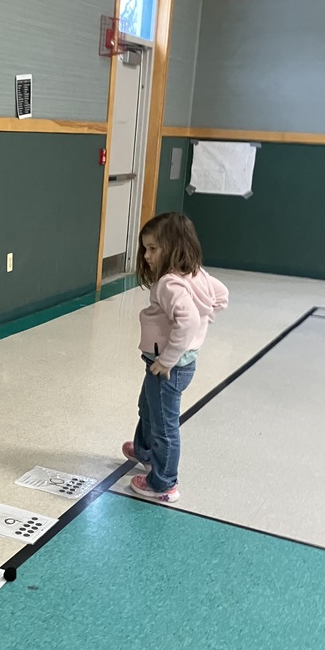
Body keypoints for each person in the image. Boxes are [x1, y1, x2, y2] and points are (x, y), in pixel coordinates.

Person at [123, 211, 228, 504]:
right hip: (176, 363)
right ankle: (144, 452)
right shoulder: (196, 275)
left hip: (167, 367)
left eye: (153, 249)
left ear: (174, 248)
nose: (146, 256)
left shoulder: (170, 284)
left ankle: (164, 482)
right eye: (145, 248)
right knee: (148, 407)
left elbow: (190, 319)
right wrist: (197, 334)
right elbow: (221, 296)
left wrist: (169, 358)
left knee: (164, 423)